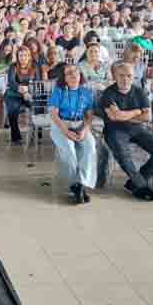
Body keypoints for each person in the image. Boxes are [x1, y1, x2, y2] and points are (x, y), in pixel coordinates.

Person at [99, 62, 153, 201]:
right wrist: (137, 111)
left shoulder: (139, 91)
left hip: (137, 130)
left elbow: (147, 117)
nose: (125, 79)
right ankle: (141, 187)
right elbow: (115, 117)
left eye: (129, 76)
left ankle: (134, 182)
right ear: (115, 76)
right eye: (121, 76)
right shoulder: (108, 93)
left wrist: (124, 115)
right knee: (123, 155)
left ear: (133, 77)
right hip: (114, 130)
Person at [49, 64, 96, 204]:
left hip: (80, 124)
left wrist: (84, 130)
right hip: (61, 124)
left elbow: (89, 115)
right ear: (64, 78)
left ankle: (81, 184)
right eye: (69, 73)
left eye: (75, 72)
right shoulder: (59, 91)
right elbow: (54, 114)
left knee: (90, 147)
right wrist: (66, 131)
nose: (73, 75)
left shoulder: (86, 92)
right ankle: (73, 186)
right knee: (69, 151)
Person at [4, 46, 42, 146]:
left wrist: (28, 91)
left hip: (30, 93)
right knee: (12, 110)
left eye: (25, 55)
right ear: (17, 56)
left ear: (29, 56)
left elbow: (38, 82)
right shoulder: (13, 66)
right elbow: (11, 82)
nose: (23, 58)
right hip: (14, 94)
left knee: (37, 106)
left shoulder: (35, 66)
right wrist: (22, 91)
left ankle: (37, 132)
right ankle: (15, 137)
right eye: (20, 55)